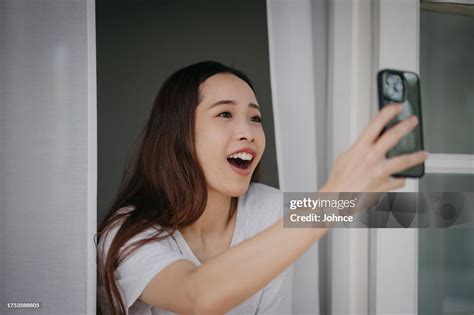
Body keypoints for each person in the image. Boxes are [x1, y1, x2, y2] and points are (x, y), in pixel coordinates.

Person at [96, 61, 428, 315]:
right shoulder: (128, 232)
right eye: (225, 114)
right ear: (178, 133)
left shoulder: (268, 208)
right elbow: (194, 295)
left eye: (255, 118)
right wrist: (332, 197)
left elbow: (427, 212)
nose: (248, 132)